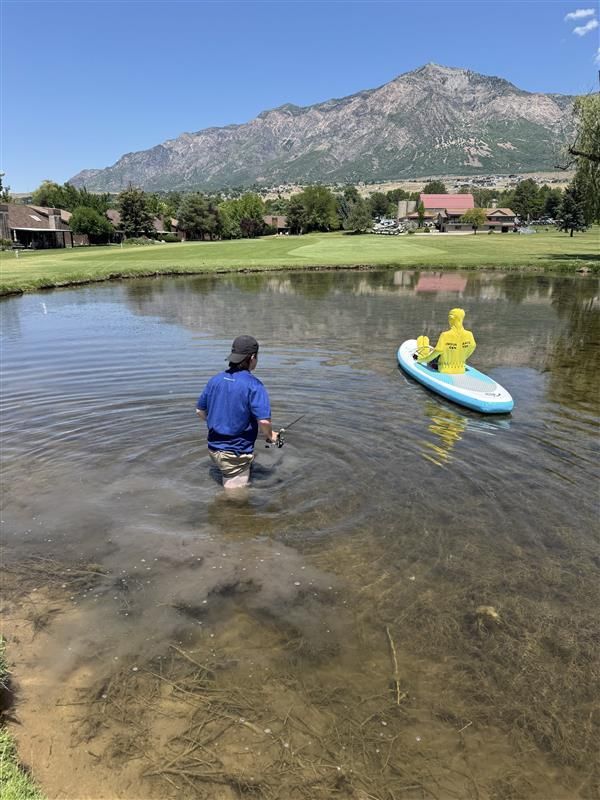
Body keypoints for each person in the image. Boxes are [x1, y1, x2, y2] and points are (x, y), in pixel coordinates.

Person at [196, 335, 279, 489]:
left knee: (241, 471)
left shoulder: (216, 380)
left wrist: (219, 425)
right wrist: (271, 436)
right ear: (253, 357)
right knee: (235, 499)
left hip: (214, 449)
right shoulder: (254, 385)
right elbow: (264, 421)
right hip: (236, 452)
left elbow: (200, 411)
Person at [415, 308, 476, 374]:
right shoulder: (469, 335)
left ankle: (422, 347)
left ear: (451, 318)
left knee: (423, 343)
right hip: (461, 369)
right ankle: (424, 342)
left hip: (443, 369)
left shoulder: (445, 335)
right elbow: (472, 347)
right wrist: (461, 358)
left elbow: (437, 351)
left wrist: (422, 360)